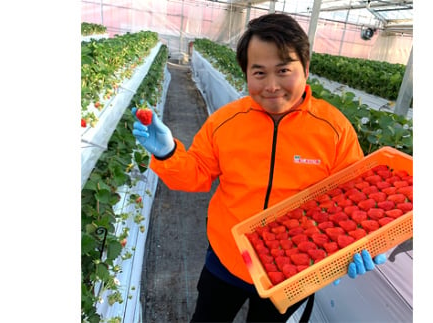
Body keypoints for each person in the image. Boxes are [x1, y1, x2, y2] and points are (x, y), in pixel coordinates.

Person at [132, 12, 386, 323]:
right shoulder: (226, 122)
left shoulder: (334, 129)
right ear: (246, 74)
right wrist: (168, 153)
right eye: (259, 73)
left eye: (284, 70)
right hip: (227, 259)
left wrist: (366, 244)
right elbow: (195, 173)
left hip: (292, 269)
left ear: (305, 68)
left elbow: (354, 198)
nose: (272, 86)